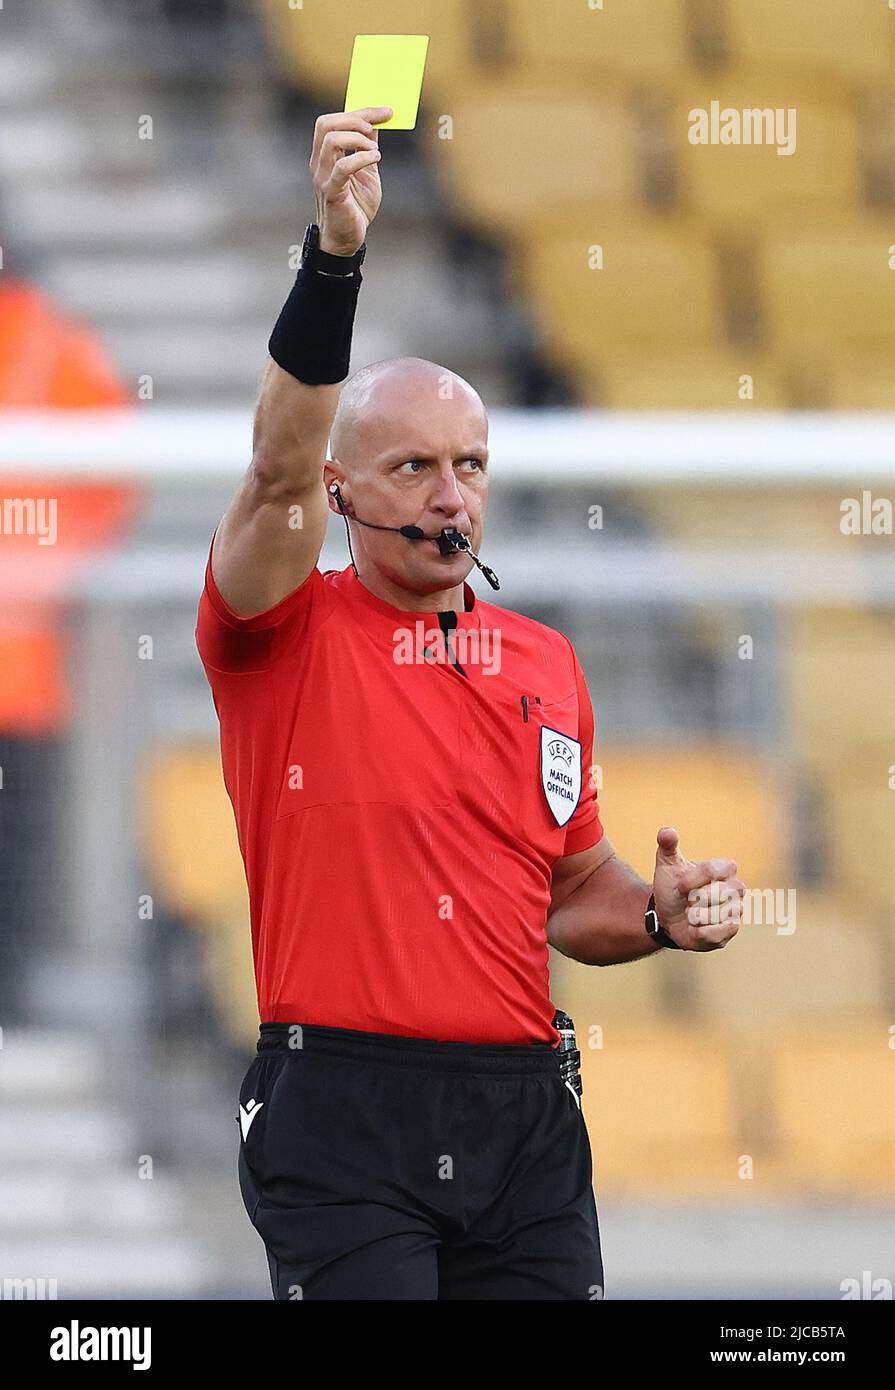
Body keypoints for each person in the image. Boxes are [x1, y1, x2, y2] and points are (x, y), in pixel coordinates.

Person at [195, 107, 746, 1300]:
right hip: (343, 1108)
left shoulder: (543, 661)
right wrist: (334, 258)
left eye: (472, 465)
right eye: (414, 468)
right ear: (345, 492)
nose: (452, 495)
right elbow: (279, 461)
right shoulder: (279, 627)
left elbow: (570, 896)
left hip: (521, 1117)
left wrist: (654, 913)